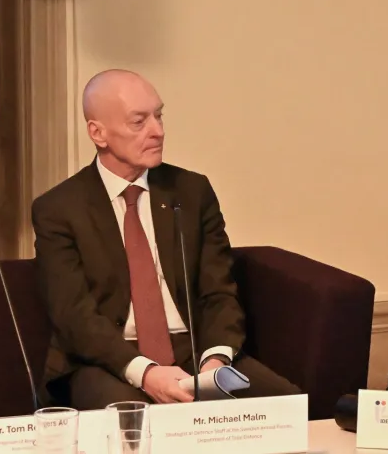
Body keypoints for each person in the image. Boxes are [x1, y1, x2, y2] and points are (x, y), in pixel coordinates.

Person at [32, 69, 300, 409]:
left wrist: (215, 362)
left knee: (287, 405)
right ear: (97, 133)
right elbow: (74, 317)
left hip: (194, 354)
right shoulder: (58, 208)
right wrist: (145, 373)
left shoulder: (191, 192)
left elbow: (219, 291)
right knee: (139, 423)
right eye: (138, 122)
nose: (157, 131)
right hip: (106, 361)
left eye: (158, 116)